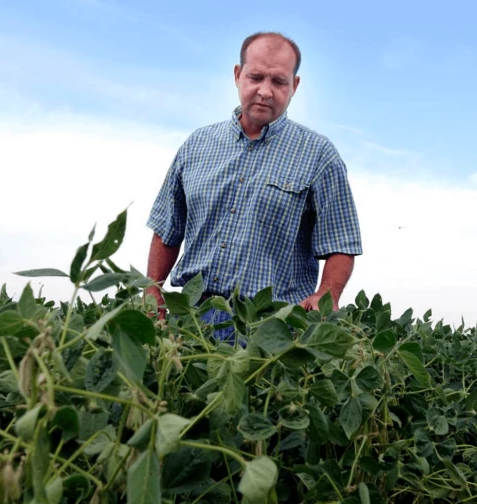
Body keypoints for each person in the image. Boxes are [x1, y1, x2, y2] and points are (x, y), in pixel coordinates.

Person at [144, 31, 363, 339]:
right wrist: (152, 287)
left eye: (278, 81)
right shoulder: (197, 145)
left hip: (272, 327)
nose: (265, 91)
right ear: (238, 75)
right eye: (256, 77)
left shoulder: (319, 154)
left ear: (294, 86)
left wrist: (327, 294)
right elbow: (168, 229)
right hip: (191, 319)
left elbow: (341, 242)